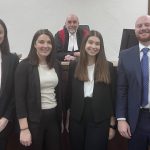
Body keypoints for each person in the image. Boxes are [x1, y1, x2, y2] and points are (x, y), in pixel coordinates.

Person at [66, 30, 116, 150]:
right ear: (84, 44)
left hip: (100, 118)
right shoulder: (74, 65)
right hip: (77, 117)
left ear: (101, 47)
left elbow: (112, 97)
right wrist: (68, 120)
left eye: (97, 44)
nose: (93, 46)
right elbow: (69, 95)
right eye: (90, 42)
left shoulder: (108, 66)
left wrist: (112, 125)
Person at [15, 29, 62, 150]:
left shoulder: (55, 64)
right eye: (41, 42)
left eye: (49, 42)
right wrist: (24, 129)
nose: (45, 45)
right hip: (33, 121)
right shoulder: (24, 66)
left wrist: (61, 120)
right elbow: (19, 99)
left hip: (53, 118)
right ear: (34, 44)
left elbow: (58, 93)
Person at [116, 15, 150, 150]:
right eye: (139, 26)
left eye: (147, 24)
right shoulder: (125, 55)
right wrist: (121, 119)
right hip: (137, 118)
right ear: (134, 30)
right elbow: (121, 89)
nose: (143, 28)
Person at [0, 19, 19, 150]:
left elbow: (15, 93)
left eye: (0, 32)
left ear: (4, 35)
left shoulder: (12, 60)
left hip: (3, 122)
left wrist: (6, 118)